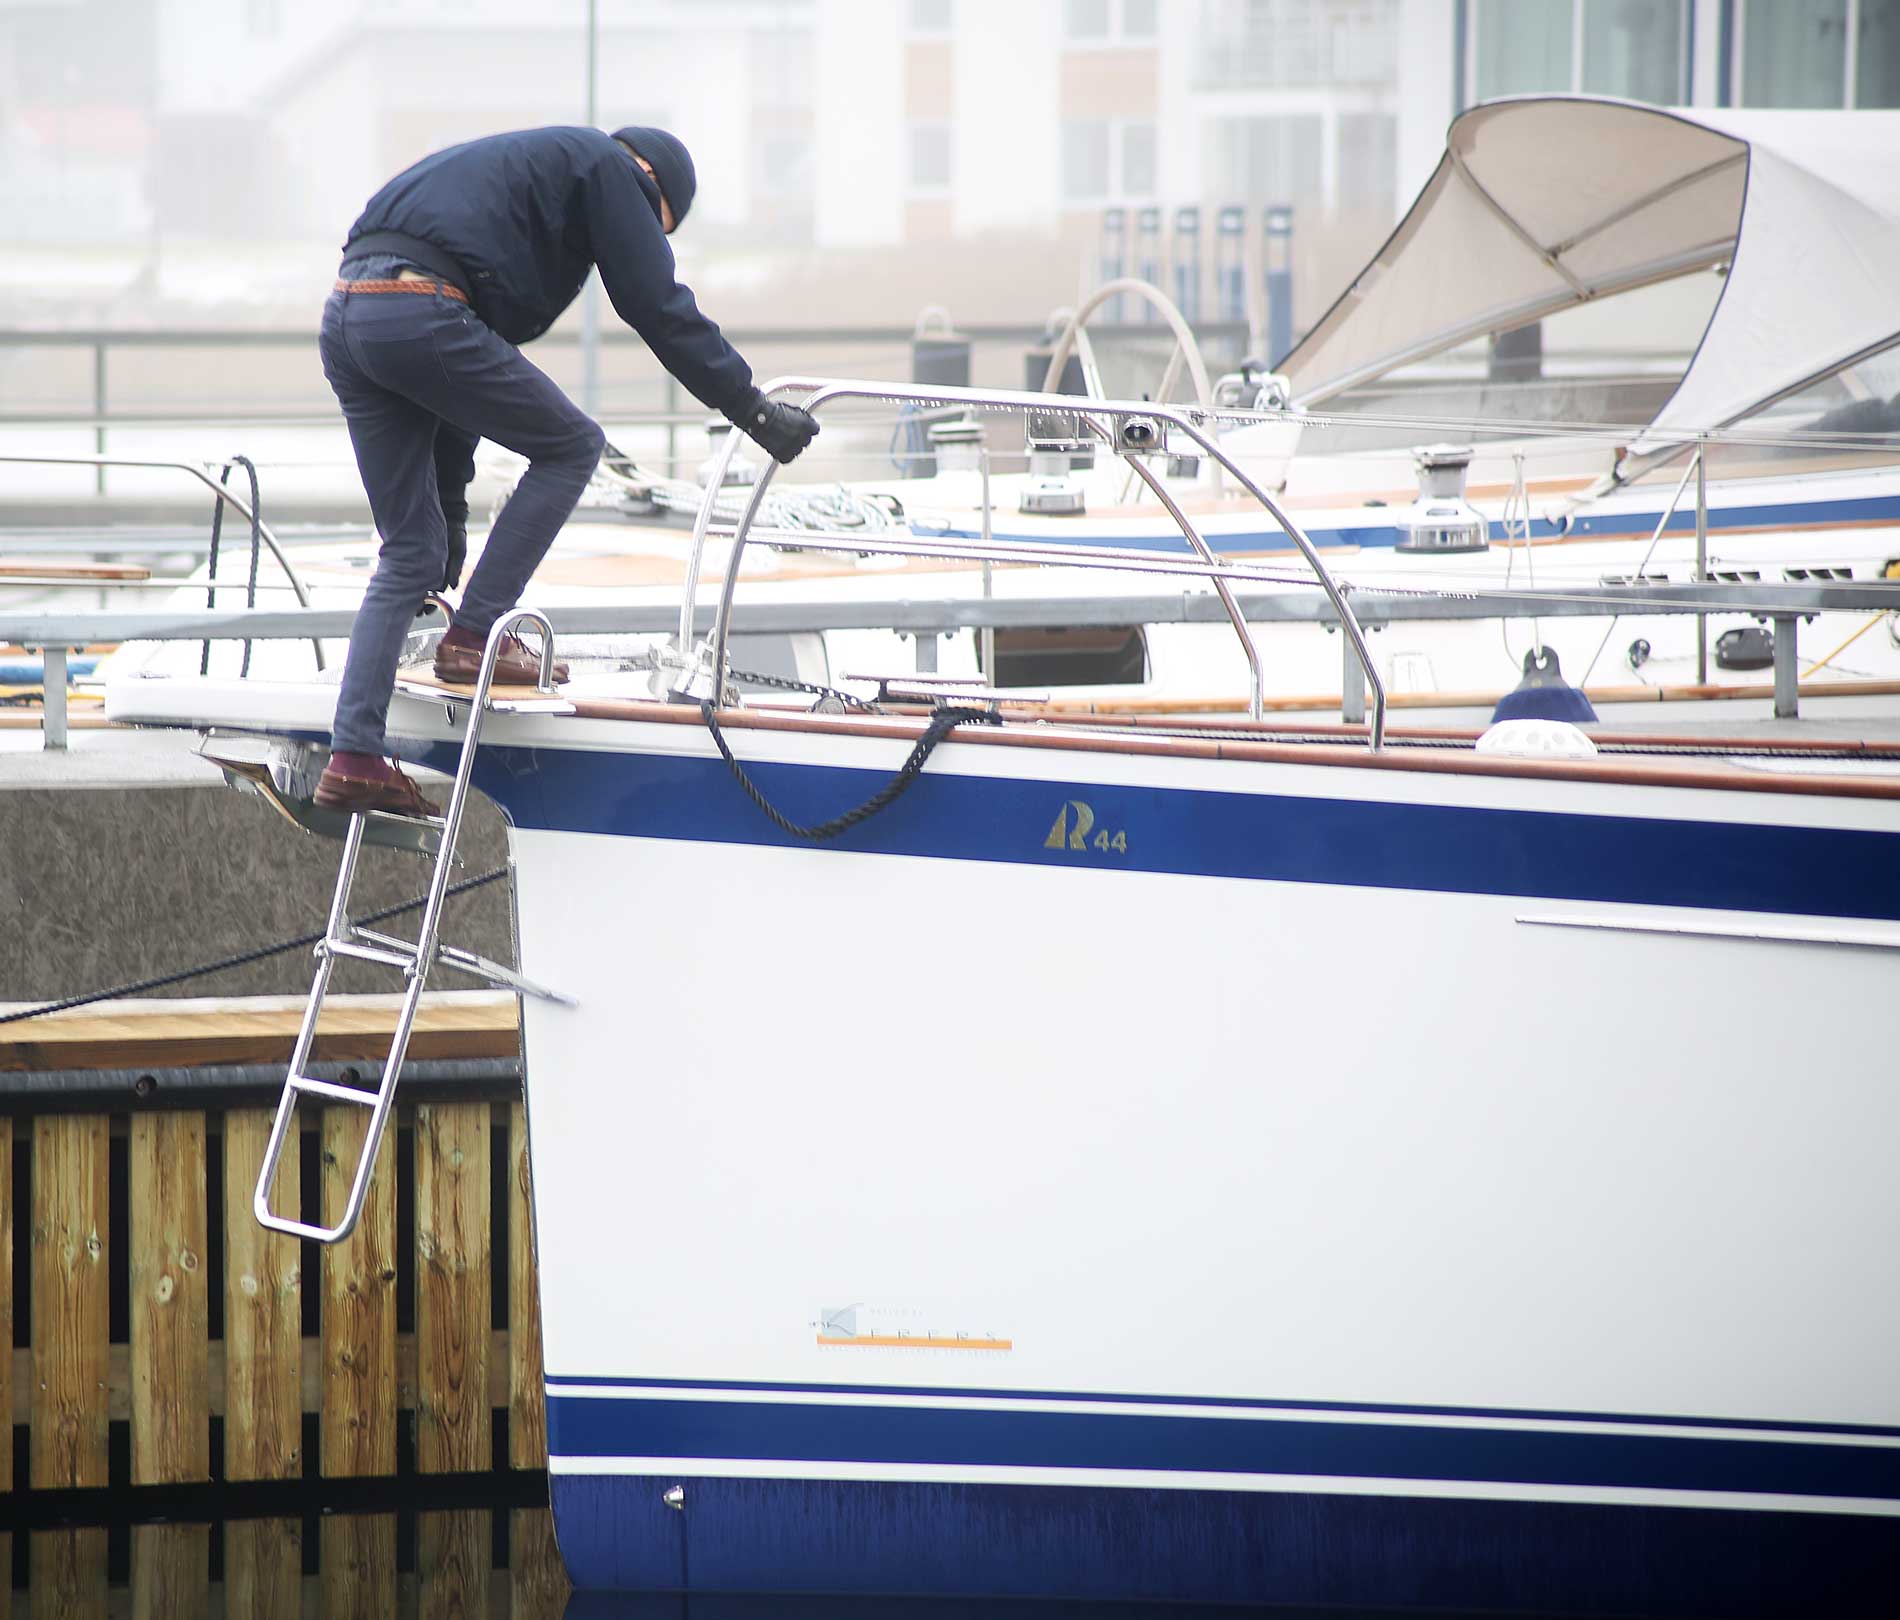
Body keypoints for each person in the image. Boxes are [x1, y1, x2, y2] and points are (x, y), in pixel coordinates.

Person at [313, 125, 818, 814]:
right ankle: (475, 636)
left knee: (410, 552)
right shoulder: (612, 169)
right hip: (417, 309)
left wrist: (451, 514)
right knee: (573, 446)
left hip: (351, 316)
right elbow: (655, 305)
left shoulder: (518, 186)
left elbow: (454, 377)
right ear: (652, 185)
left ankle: (354, 758)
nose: (641, 237)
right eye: (654, 227)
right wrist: (750, 409)